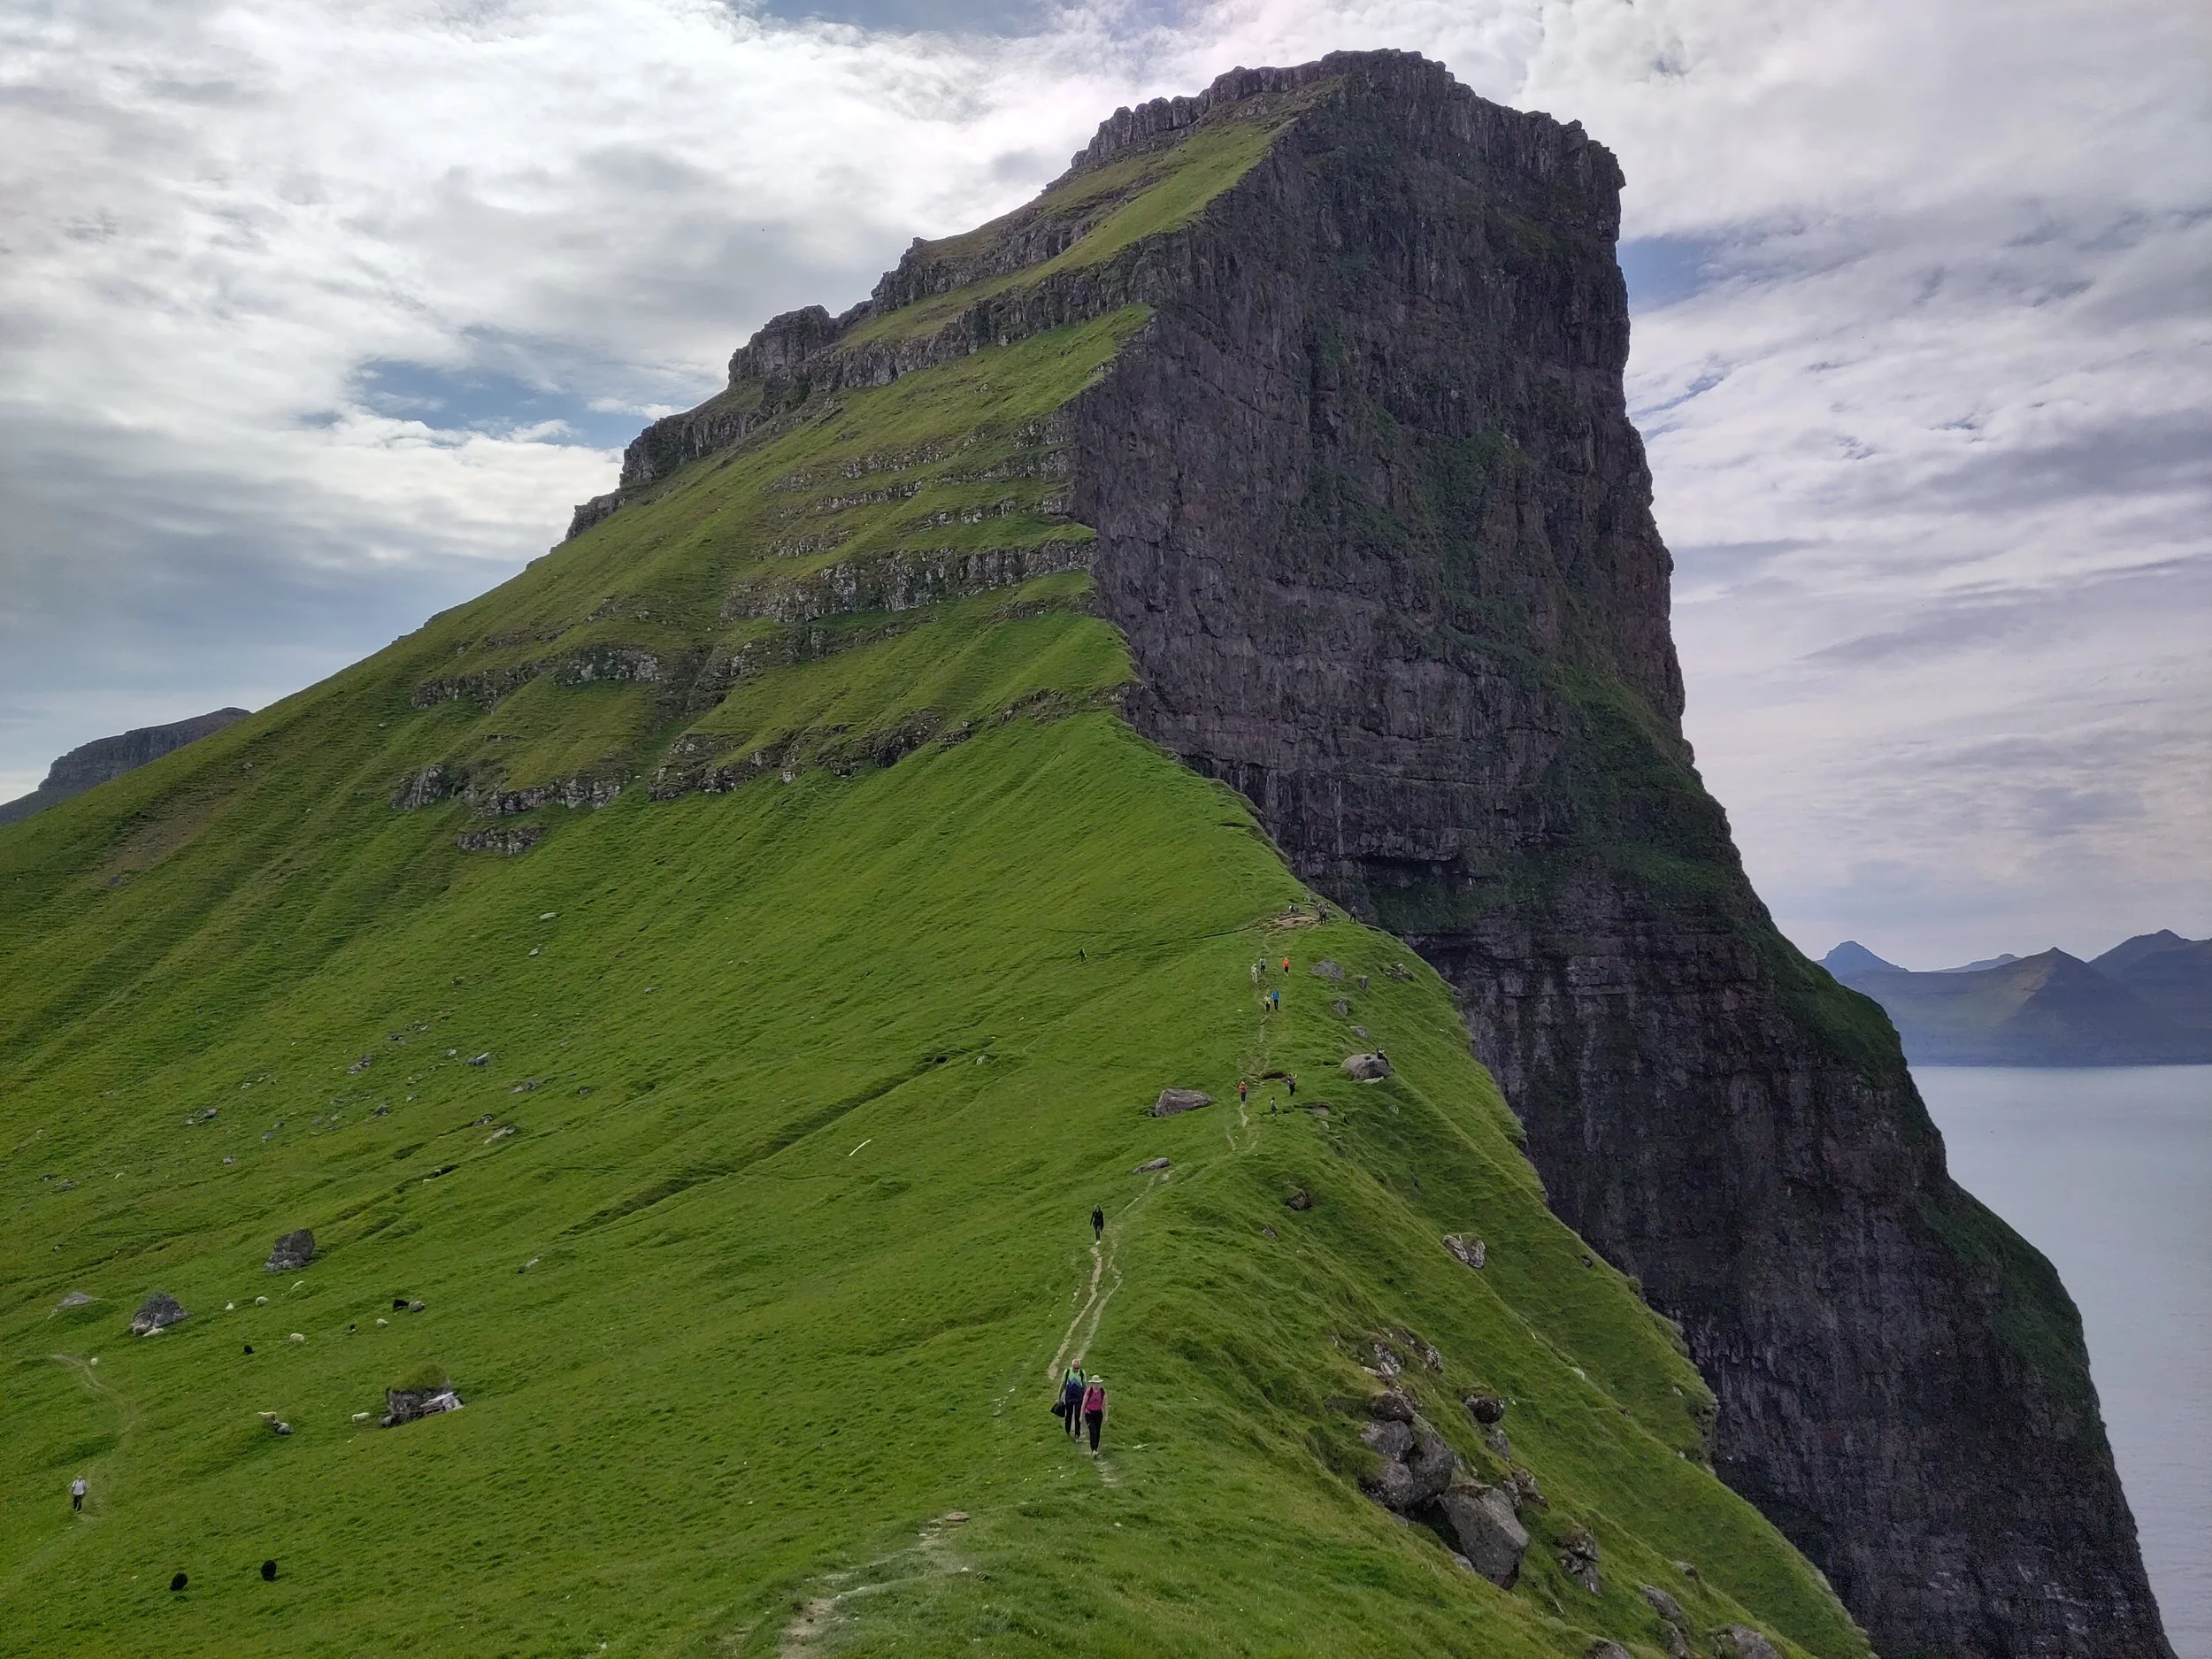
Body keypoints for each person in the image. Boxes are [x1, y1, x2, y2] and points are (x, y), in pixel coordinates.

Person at [1081, 1377, 1107, 1452]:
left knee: (1097, 1432)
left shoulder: (1102, 1392)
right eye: (1095, 1383)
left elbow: (1105, 1404)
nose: (1096, 1385)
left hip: (1098, 1414)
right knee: (1092, 1431)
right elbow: (1084, 1403)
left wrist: (1106, 1416)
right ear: (1092, 1383)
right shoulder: (1089, 1391)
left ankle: (1096, 1448)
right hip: (1089, 1414)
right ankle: (1093, 1450)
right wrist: (1081, 1416)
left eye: (1098, 1383)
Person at [1060, 1367, 1085, 1438]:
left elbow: (1084, 1385)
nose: (1076, 1369)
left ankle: (1077, 1434)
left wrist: (1086, 1397)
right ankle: (1067, 1430)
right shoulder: (1067, 1372)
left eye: (1077, 1368)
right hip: (1069, 1397)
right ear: (1072, 1366)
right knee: (1068, 1414)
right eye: (1075, 1368)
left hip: (1079, 1397)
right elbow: (1063, 1384)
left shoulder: (1082, 1373)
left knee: (1078, 1416)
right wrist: (1059, 1395)